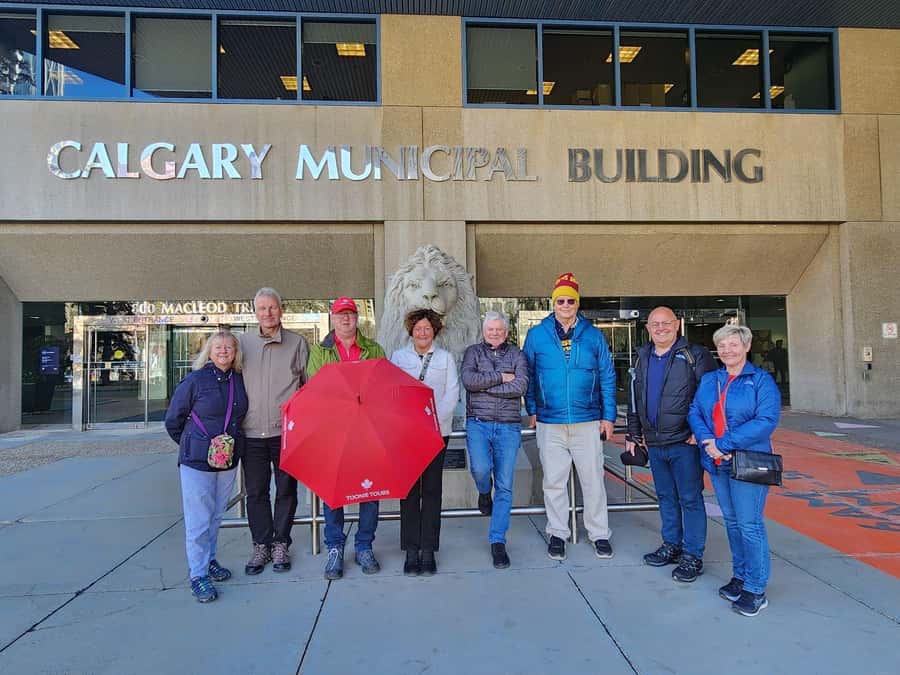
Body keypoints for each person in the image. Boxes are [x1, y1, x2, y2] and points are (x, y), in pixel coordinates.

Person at [688, 324, 781, 617]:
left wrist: (723, 443)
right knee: (732, 522)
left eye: (734, 345)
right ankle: (740, 576)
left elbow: (765, 420)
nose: (728, 350)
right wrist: (707, 441)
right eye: (723, 345)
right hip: (717, 461)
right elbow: (695, 411)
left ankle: (755, 588)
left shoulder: (761, 381)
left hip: (747, 462)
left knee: (750, 524)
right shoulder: (710, 380)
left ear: (746, 346)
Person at [523, 273, 617, 561]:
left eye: (570, 300)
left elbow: (607, 376)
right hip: (550, 421)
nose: (565, 305)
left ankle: (599, 533)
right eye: (560, 300)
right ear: (554, 303)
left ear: (578, 303)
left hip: (587, 420)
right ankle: (557, 533)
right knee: (554, 481)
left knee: (593, 481)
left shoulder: (593, 335)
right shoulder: (537, 335)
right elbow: (528, 374)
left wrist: (608, 416)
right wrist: (533, 410)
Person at [626, 306, 717, 583]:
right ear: (647, 328)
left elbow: (711, 396)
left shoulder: (695, 355)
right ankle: (671, 545)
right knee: (665, 496)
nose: (661, 328)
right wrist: (633, 433)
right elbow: (634, 398)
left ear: (677, 325)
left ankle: (692, 555)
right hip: (654, 442)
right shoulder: (642, 357)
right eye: (655, 324)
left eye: (666, 323)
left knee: (689, 498)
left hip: (684, 442)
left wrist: (701, 432)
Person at [165, 330, 249, 603]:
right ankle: (197, 575)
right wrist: (196, 444)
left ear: (236, 352)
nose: (224, 351)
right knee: (198, 520)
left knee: (215, 516)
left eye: (229, 347)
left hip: (227, 460)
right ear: (209, 351)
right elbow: (173, 421)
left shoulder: (238, 380)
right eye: (218, 347)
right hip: (197, 463)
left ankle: (210, 559)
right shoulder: (195, 380)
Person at [307, 296, 386, 580]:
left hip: (366, 433)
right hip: (334, 433)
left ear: (357, 318)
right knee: (333, 492)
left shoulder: (374, 349)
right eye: (341, 314)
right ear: (332, 318)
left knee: (370, 492)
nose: (346, 319)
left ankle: (364, 545)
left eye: (350, 314)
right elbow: (318, 388)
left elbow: (381, 387)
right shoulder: (320, 351)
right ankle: (335, 548)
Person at [239, 287, 309, 575]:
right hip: (252, 433)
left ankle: (281, 543)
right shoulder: (241, 343)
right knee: (255, 493)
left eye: (273, 307)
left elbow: (308, 387)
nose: (268, 313)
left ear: (282, 309)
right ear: (255, 312)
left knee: (285, 491)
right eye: (262, 308)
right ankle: (261, 545)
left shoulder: (297, 343)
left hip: (285, 434)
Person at [390, 309, 460, 576]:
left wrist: (432, 420)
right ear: (411, 331)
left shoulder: (445, 358)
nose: (422, 332)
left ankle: (428, 549)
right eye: (418, 328)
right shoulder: (398, 357)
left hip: (436, 432)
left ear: (434, 331)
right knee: (409, 492)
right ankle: (411, 550)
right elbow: (393, 391)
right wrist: (410, 421)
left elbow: (452, 392)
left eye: (427, 329)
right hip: (406, 434)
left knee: (431, 491)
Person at [461, 310, 529, 569]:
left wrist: (485, 386)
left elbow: (520, 387)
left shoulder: (517, 355)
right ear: (483, 331)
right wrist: (501, 377)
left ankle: (498, 541)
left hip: (508, 427)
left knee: (505, 484)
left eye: (500, 330)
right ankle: (482, 492)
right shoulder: (472, 353)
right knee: (480, 469)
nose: (495, 334)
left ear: (507, 332)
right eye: (491, 330)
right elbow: (469, 380)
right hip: (478, 423)